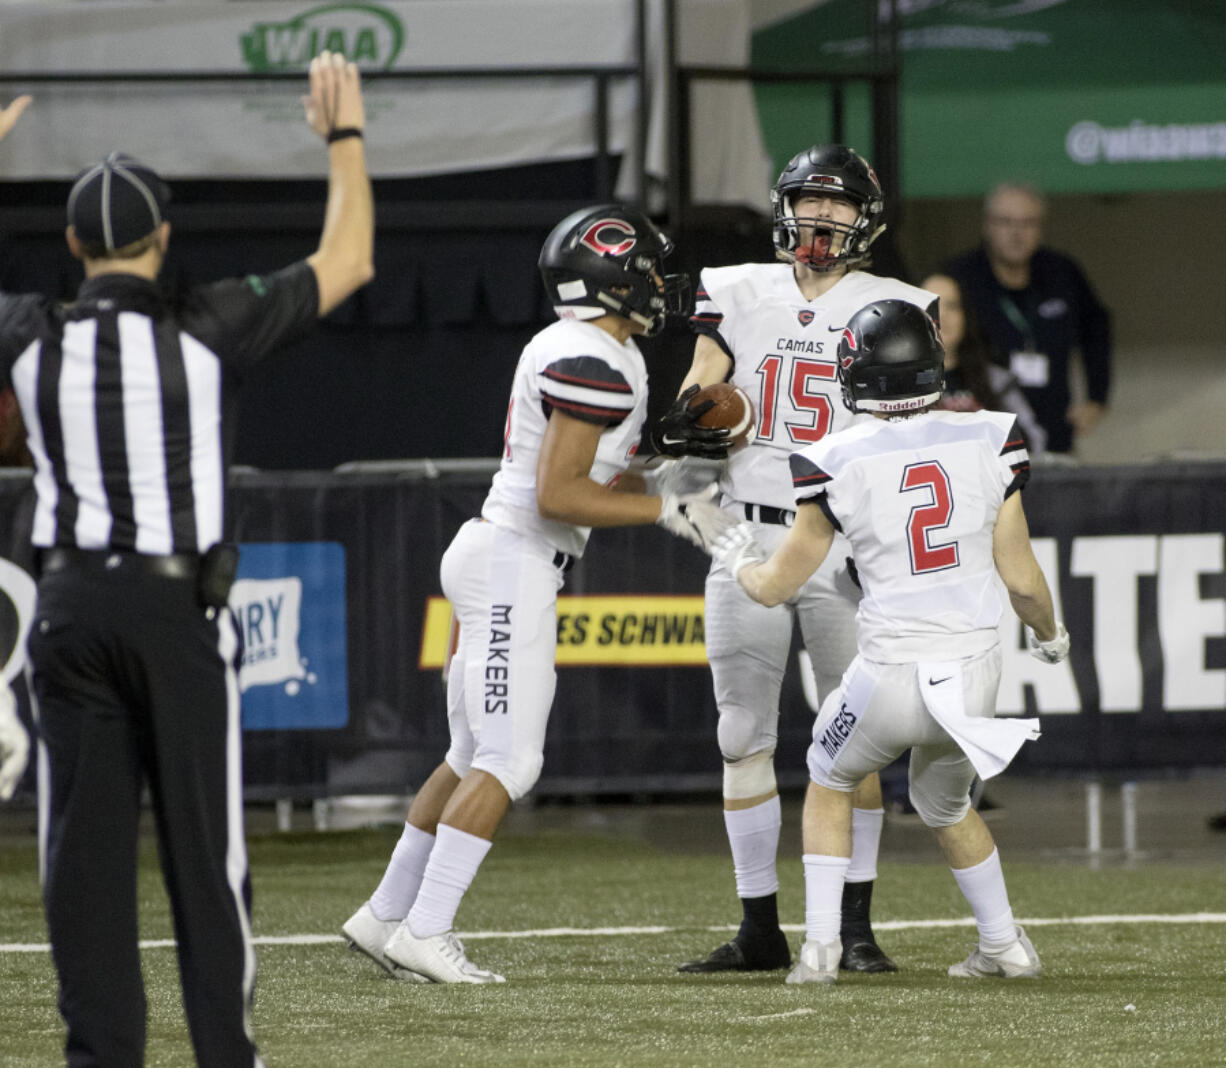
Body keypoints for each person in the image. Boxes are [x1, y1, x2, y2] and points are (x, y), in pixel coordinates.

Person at [0, 53, 373, 1068]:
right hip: (172, 612)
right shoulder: (206, 325)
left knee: (82, 874)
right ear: (162, 239)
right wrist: (341, 135)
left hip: (68, 613)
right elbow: (346, 259)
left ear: (72, 246)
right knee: (207, 870)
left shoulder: (31, 333)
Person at [341, 203, 721, 984]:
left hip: (495, 551)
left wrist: (658, 464)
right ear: (614, 279)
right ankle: (427, 928)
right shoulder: (597, 359)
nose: (656, 283)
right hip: (515, 558)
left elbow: (577, 470)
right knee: (510, 761)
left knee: (468, 753)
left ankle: (384, 916)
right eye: (646, 269)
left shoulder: (585, 346)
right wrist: (666, 508)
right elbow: (559, 494)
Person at [699, 299, 1070, 984]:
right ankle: (1004, 944)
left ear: (858, 375)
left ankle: (820, 949)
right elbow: (1021, 578)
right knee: (945, 803)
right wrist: (1052, 637)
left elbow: (778, 585)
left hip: (892, 672)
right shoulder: (990, 436)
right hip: (975, 672)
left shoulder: (834, 455)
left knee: (828, 773)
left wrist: (730, 552)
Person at [652, 144, 937, 976]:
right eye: (806, 200)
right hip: (751, 529)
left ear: (866, 219)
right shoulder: (737, 287)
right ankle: (758, 928)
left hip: (851, 540)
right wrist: (692, 415)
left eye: (837, 204)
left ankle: (854, 927)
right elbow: (706, 380)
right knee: (741, 732)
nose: (819, 217)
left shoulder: (898, 303)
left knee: (859, 740)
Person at [941, 182, 1111, 457]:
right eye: (1006, 222)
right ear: (987, 225)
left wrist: (1097, 398)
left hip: (1054, 435)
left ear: (1041, 227)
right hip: (983, 446)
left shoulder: (1062, 273)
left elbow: (1097, 327)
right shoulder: (960, 279)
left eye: (1028, 223)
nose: (1017, 233)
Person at [921, 273, 1045, 455]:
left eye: (952, 306)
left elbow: (1032, 442)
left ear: (966, 316)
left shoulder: (996, 381)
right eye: (930, 307)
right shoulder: (891, 384)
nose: (942, 315)